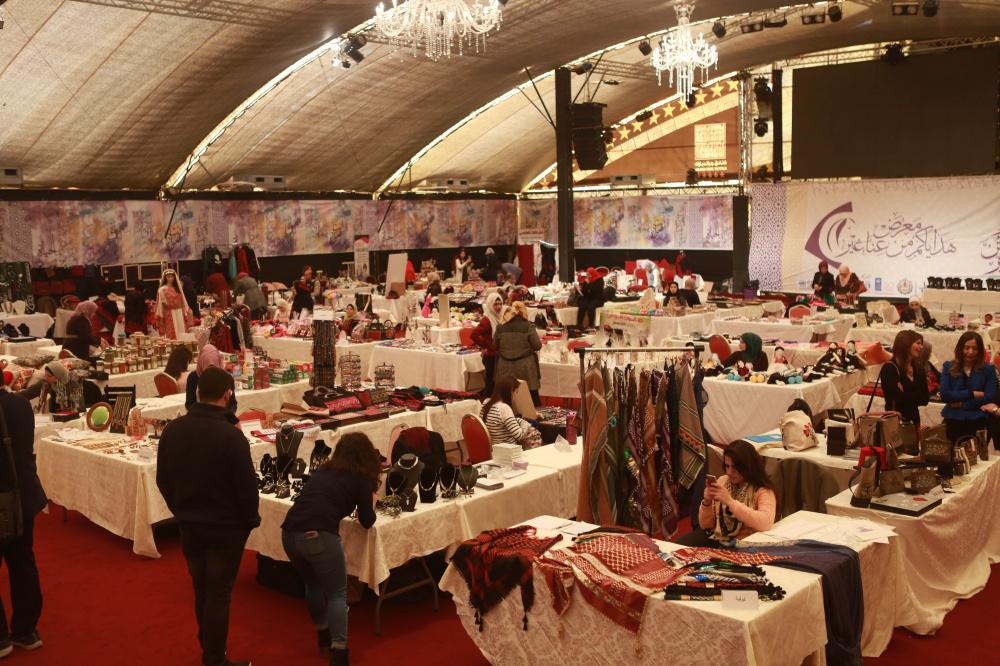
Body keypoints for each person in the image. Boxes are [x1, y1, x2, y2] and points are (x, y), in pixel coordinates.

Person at [156, 367, 259, 666]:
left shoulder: (173, 430)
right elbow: (246, 488)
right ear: (228, 395)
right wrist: (248, 522)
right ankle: (214, 658)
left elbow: (163, 480)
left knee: (202, 588)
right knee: (218, 593)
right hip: (225, 529)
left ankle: (209, 649)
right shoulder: (231, 436)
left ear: (198, 393)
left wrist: (180, 510)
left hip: (190, 524)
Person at [281, 433, 380, 665]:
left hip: (289, 534)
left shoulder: (323, 471)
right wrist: (372, 501)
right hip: (318, 535)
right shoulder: (361, 478)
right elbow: (367, 521)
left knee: (313, 584)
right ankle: (340, 653)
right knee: (337, 594)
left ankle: (323, 638)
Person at [0, 387, 48, 657]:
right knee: (23, 563)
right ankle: (25, 630)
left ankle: (1, 639)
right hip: (22, 498)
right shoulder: (20, 405)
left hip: (8, 496)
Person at [674, 440, 776, 546]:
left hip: (744, 543)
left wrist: (730, 502)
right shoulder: (723, 481)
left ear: (747, 466)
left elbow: (765, 523)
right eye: (727, 466)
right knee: (676, 546)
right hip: (718, 537)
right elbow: (706, 526)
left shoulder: (763, 490)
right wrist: (707, 503)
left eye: (735, 467)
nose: (730, 472)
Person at [940, 332, 997, 444]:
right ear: (960, 348)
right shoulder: (948, 366)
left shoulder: (989, 369)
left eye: (975, 348)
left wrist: (962, 404)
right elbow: (945, 395)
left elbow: (989, 397)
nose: (970, 352)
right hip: (952, 420)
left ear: (980, 351)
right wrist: (972, 394)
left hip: (978, 421)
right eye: (967, 348)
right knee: (952, 453)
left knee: (977, 455)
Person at [493, 301, 542, 405]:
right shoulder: (529, 326)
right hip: (525, 367)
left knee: (505, 398)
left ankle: (507, 414)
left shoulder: (500, 327)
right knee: (531, 398)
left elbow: (494, 346)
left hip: (504, 367)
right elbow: (537, 346)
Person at [880, 330, 929, 426]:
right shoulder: (890, 368)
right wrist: (917, 394)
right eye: (918, 343)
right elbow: (895, 398)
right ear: (906, 344)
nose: (921, 347)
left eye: (921, 344)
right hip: (894, 422)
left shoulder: (919, 368)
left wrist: (904, 394)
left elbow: (925, 399)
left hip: (914, 421)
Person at [479, 377, 542, 449]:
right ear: (511, 392)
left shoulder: (486, 402)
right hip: (508, 450)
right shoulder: (504, 408)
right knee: (536, 435)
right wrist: (526, 424)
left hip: (492, 448)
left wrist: (519, 420)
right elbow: (520, 435)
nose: (516, 396)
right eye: (516, 392)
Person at [186, 345, 237, 413]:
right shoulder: (193, 377)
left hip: (222, 415)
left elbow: (232, 404)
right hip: (199, 415)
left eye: (213, 366)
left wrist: (227, 416)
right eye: (208, 366)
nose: (211, 371)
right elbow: (189, 403)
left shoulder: (227, 378)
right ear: (201, 362)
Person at [471, 293, 503, 396]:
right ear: (490, 305)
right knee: (490, 383)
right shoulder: (487, 320)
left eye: (500, 304)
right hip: (490, 356)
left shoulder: (498, 317)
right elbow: (474, 335)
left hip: (497, 355)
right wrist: (486, 345)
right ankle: (487, 402)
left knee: (495, 382)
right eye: (495, 304)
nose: (499, 307)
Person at [156, 269, 192, 340]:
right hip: (169, 313)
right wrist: (161, 316)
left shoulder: (178, 289)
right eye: (168, 277)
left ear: (174, 277)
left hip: (179, 313)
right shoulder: (161, 290)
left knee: (181, 331)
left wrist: (185, 312)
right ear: (165, 278)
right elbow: (160, 305)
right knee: (171, 334)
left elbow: (182, 301)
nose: (170, 278)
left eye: (171, 276)